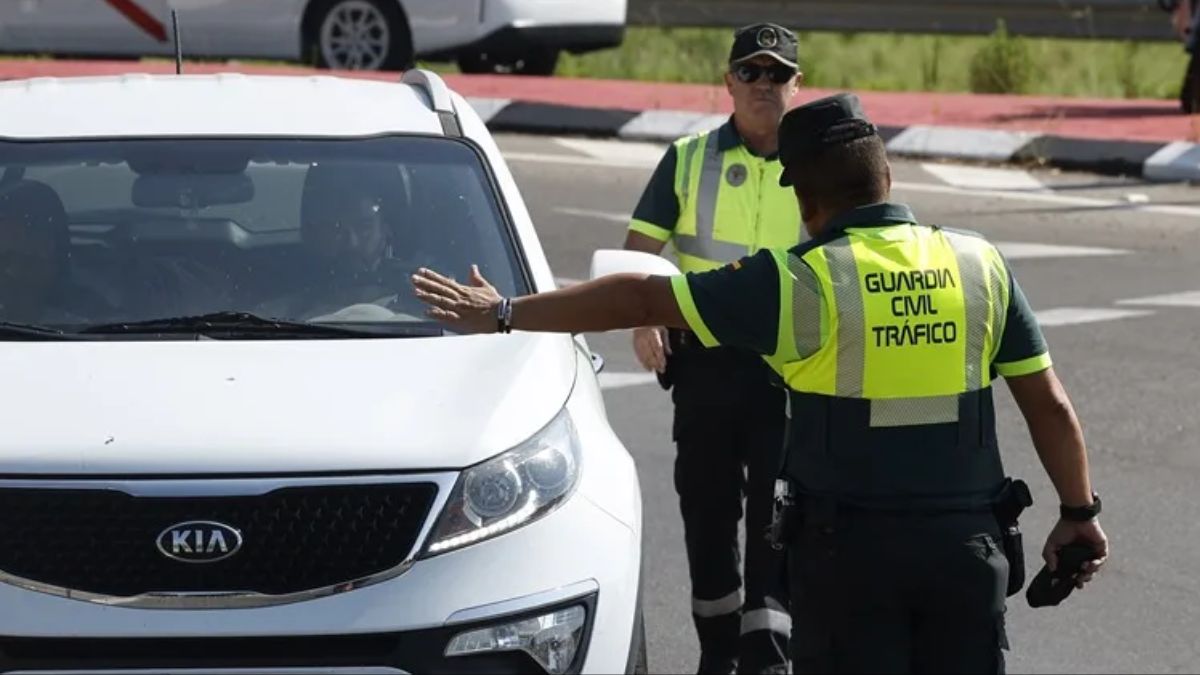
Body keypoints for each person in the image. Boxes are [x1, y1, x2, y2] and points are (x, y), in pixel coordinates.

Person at [409, 92, 1109, 674]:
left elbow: (641, 297)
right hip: (966, 554)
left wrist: (504, 312)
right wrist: (1079, 511)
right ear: (887, 177)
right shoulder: (979, 264)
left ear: (803, 198)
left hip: (850, 561)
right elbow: (1049, 405)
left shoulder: (799, 282)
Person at [621, 21, 805, 674]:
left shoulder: (815, 164)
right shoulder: (688, 157)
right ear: (728, 81)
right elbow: (639, 252)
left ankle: (768, 655)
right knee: (707, 511)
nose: (763, 84)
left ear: (797, 84)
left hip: (789, 370)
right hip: (705, 365)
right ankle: (718, 651)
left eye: (777, 73)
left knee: (779, 516)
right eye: (750, 71)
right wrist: (645, 319)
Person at [256, 162, 425, 322]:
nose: (352, 242)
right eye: (335, 228)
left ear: (385, 231)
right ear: (313, 235)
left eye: (364, 227)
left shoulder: (426, 307)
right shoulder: (276, 317)